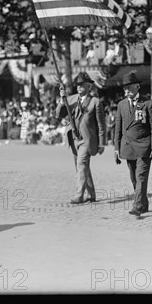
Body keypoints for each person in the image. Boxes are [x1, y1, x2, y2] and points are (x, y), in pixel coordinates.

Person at [114, 72, 152, 217]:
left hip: (144, 146)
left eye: (129, 87)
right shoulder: (121, 105)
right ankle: (144, 203)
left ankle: (138, 206)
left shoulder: (148, 104)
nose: (126, 91)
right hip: (127, 147)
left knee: (140, 177)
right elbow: (118, 129)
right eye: (124, 88)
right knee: (134, 178)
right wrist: (116, 148)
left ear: (137, 86)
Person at [57, 73, 106, 205]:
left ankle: (79, 195)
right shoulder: (71, 99)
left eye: (81, 85)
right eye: (77, 85)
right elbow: (59, 114)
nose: (78, 87)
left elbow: (101, 124)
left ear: (88, 86)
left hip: (87, 140)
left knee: (81, 164)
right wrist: (62, 100)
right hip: (74, 138)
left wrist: (102, 143)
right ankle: (91, 194)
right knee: (82, 167)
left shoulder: (95, 102)